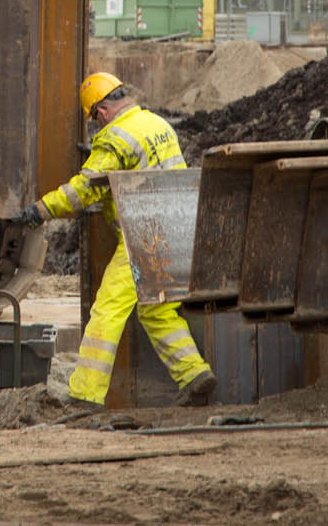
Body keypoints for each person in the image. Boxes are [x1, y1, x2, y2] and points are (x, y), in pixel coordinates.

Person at [16, 72, 217, 408]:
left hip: (144, 237)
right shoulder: (156, 124)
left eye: (95, 119)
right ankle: (195, 375)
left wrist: (40, 210)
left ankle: (85, 394)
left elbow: (81, 191)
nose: (97, 125)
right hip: (180, 230)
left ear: (102, 112)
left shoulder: (113, 139)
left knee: (107, 310)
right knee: (158, 312)